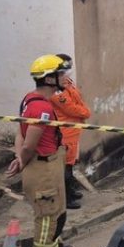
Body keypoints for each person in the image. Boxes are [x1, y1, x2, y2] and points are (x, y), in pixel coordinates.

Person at [5, 55, 73, 247]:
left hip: (48, 163)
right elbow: (29, 144)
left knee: (58, 208)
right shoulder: (41, 109)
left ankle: (54, 245)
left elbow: (20, 134)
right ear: (49, 79)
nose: (65, 78)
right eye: (61, 74)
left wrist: (19, 158)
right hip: (42, 167)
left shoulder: (30, 99)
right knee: (47, 213)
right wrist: (22, 159)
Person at [51, 54, 91, 210]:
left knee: (72, 163)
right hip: (65, 131)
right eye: (65, 69)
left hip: (74, 129)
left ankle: (71, 191)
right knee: (65, 166)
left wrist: (83, 110)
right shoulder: (56, 90)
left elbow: (77, 99)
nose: (68, 72)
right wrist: (85, 112)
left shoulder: (67, 83)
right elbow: (69, 107)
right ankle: (65, 198)